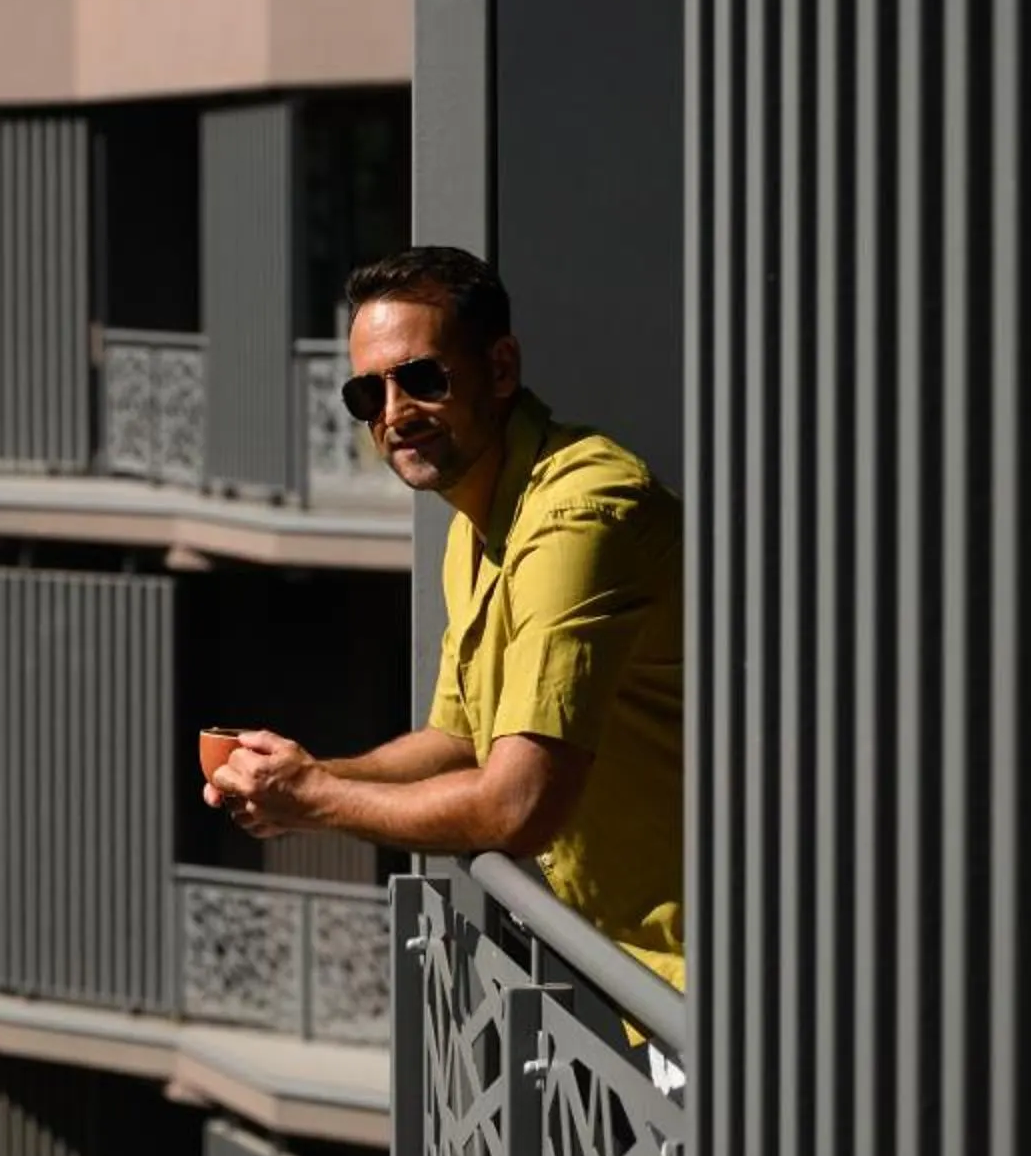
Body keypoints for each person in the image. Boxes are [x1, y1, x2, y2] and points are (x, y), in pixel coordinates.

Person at [205, 243, 686, 1015]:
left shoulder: (580, 514)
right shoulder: (477, 523)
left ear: (501, 368)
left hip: (714, 986)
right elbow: (457, 741)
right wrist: (306, 776)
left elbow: (516, 808)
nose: (394, 414)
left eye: (422, 379)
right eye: (368, 394)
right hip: (636, 976)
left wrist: (316, 799)